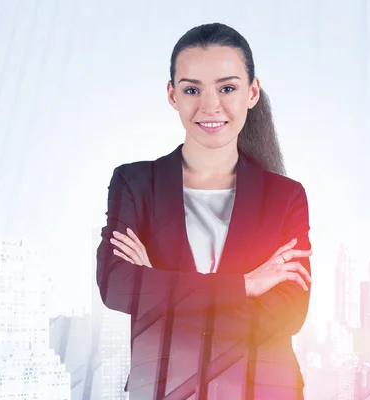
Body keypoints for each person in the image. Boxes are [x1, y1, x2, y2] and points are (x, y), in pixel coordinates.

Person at [95, 22, 313, 400]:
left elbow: (287, 313)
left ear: (252, 92)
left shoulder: (285, 197)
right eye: (192, 89)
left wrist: (160, 289)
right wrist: (244, 285)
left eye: (226, 88)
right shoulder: (135, 183)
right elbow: (117, 287)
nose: (210, 106)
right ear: (172, 95)